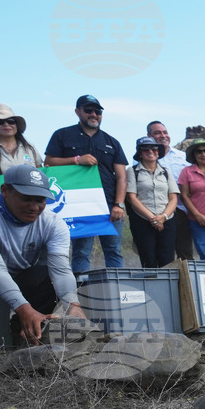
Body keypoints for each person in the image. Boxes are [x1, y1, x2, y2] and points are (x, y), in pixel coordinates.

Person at [0, 165, 86, 348]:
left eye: (40, 200)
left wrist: (73, 305)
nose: (33, 207)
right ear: (5, 191)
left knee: (50, 270)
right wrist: (24, 308)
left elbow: (61, 270)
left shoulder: (53, 224)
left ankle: (24, 330)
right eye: (26, 199)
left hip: (19, 277)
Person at [44, 94, 128, 274]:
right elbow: (49, 163)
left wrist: (119, 204)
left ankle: (117, 290)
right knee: (81, 252)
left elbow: (122, 177)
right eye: (88, 110)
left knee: (113, 250)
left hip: (109, 204)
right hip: (78, 204)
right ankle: (81, 294)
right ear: (77, 111)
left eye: (97, 111)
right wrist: (76, 159)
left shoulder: (112, 141)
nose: (93, 114)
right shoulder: (62, 135)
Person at [125, 136, 178, 268]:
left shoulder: (166, 172)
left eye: (154, 148)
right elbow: (132, 197)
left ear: (158, 152)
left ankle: (168, 288)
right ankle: (152, 288)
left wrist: (163, 217)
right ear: (140, 153)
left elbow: (173, 198)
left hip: (167, 220)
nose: (150, 151)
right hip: (143, 221)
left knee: (168, 260)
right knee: (148, 259)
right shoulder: (132, 171)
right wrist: (153, 219)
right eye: (145, 149)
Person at [148, 120, 194, 260]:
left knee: (185, 252)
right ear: (149, 136)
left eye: (165, 132)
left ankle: (188, 281)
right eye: (157, 133)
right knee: (161, 252)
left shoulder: (183, 157)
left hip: (181, 210)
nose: (163, 136)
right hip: (155, 211)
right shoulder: (142, 158)